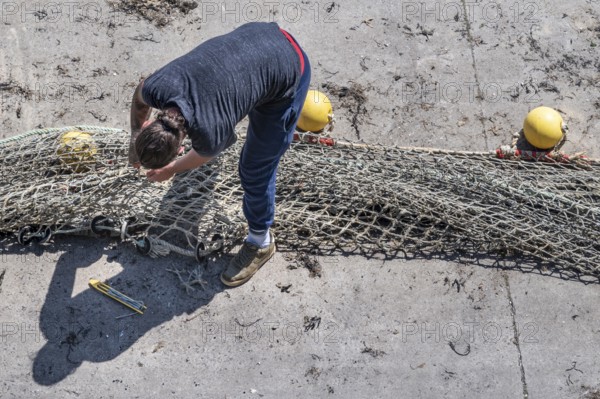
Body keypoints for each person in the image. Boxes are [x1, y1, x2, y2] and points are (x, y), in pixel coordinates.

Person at [128, 22, 311, 287]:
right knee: (239, 99)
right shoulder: (159, 86)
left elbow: (203, 154)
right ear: (150, 123)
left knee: (255, 169)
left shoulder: (209, 131)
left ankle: (261, 241)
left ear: (181, 147)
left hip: (289, 70)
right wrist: (134, 138)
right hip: (259, 35)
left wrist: (170, 170)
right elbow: (138, 98)